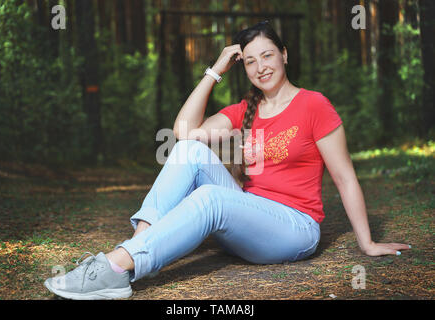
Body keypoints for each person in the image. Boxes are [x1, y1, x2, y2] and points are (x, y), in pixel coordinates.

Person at [44, 21, 411, 300]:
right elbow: (184, 131)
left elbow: (345, 178)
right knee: (190, 149)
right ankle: (133, 252)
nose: (260, 67)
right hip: (248, 211)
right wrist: (215, 68)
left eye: (268, 55)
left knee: (211, 199)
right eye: (250, 61)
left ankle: (117, 265)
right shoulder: (243, 110)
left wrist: (367, 243)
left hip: (294, 228)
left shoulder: (314, 105)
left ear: (285, 54)